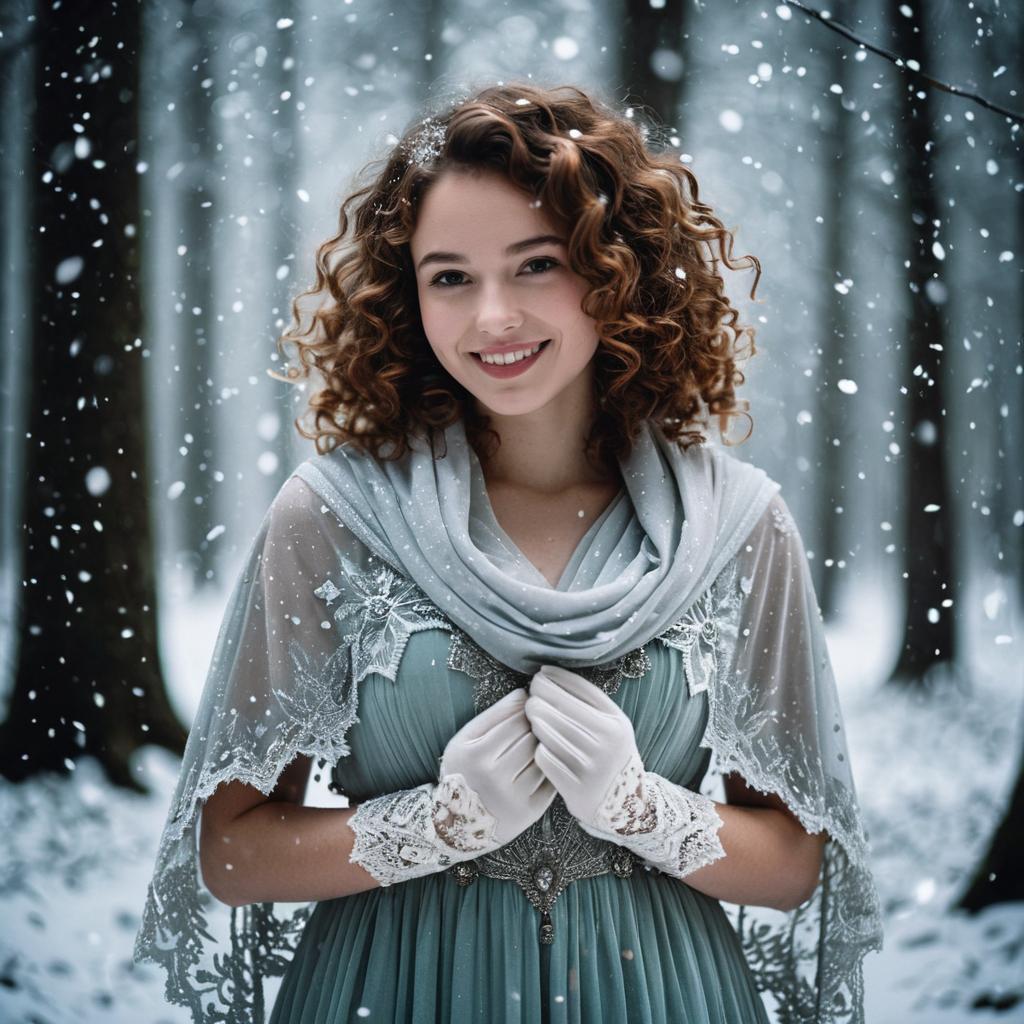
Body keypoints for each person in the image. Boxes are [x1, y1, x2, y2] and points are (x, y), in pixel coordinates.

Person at [134, 82, 883, 1024]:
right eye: (449, 275)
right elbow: (232, 853)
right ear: (405, 294)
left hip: (665, 997)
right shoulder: (330, 516)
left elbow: (793, 864)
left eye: (535, 266)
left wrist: (641, 808)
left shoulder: (738, 525)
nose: (492, 316)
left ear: (618, 271)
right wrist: (435, 825)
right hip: (388, 994)